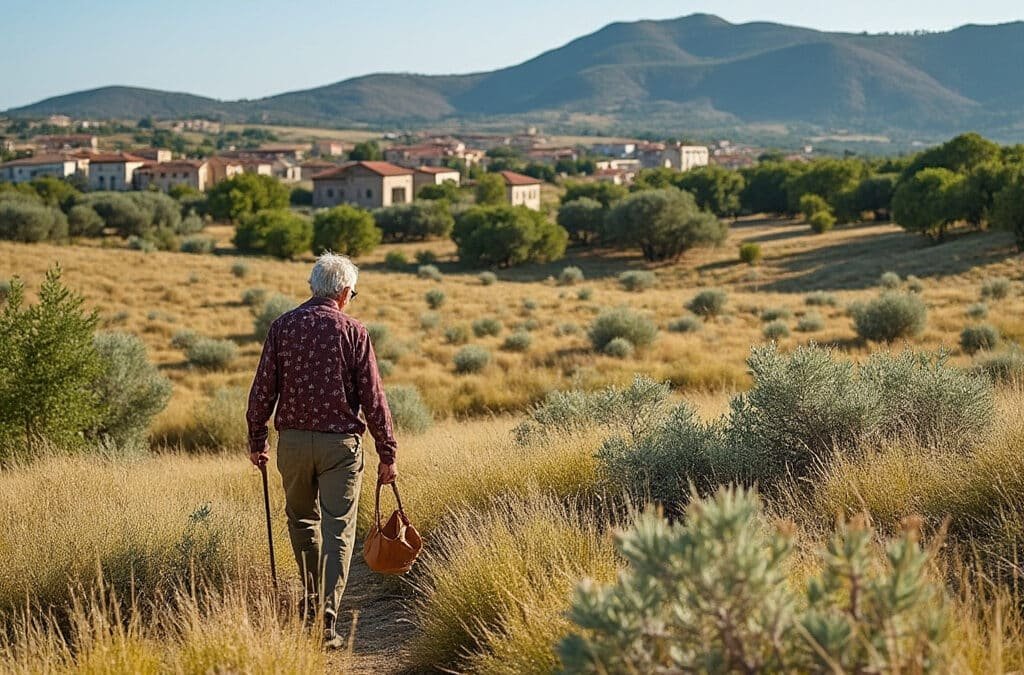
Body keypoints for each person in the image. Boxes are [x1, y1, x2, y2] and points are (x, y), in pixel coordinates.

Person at [246, 252, 398, 649]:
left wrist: (257, 440)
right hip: (340, 449)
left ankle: (313, 601)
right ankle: (325, 618)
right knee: (338, 531)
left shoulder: (282, 327)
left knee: (301, 522)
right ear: (345, 292)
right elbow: (374, 398)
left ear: (314, 287)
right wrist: (388, 452)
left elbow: (263, 389)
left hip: (293, 443)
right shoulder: (353, 331)